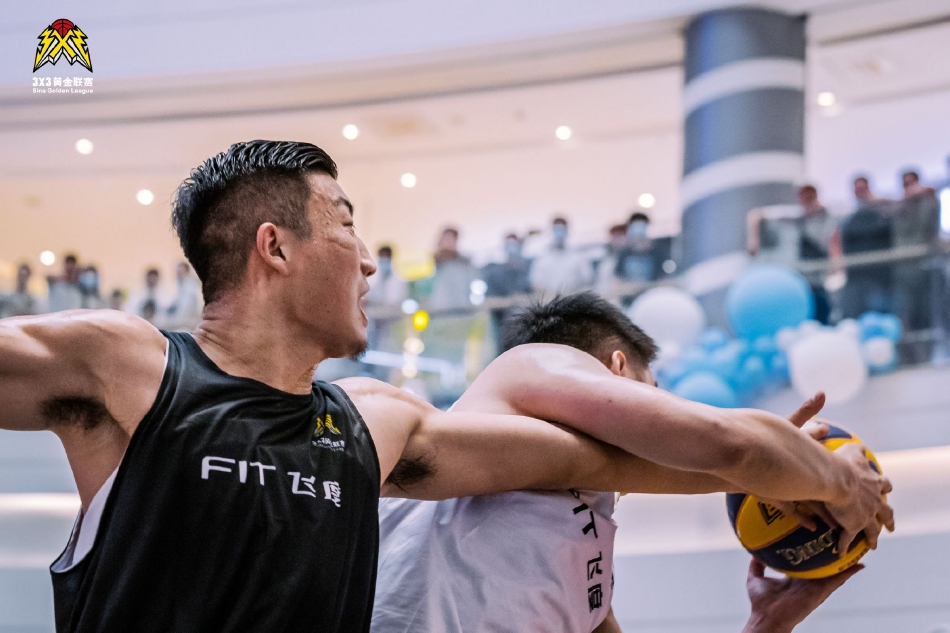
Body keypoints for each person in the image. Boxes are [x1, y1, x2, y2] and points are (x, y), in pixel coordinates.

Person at [0, 141, 890, 632]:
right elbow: (710, 447)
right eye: (347, 225)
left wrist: (790, 473)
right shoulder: (127, 367)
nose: (371, 261)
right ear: (275, 247)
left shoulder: (374, 425)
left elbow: (613, 461)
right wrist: (823, 476)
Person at [374, 293, 892, 633]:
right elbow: (725, 443)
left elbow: (731, 450)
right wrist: (840, 481)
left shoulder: (586, 569)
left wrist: (766, 625)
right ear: (616, 367)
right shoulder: (527, 365)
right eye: (655, 391)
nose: (664, 413)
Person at [747, 186, 841, 323]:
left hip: (818, 276)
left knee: (822, 310)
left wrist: (836, 263)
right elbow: (757, 214)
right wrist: (753, 240)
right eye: (804, 197)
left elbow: (833, 241)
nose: (807, 201)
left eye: (810, 197)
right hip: (799, 277)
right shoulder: (795, 217)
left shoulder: (825, 217)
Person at [893, 170, 941, 334]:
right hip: (905, 268)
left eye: (911, 183)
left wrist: (925, 194)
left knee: (928, 309)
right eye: (905, 184)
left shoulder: (929, 203)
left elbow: (930, 223)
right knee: (907, 311)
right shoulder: (899, 206)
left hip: (925, 265)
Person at [840, 177, 894, 317]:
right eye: (857, 189)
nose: (860, 192)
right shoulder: (850, 219)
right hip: (856, 277)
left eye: (863, 189)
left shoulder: (883, 211)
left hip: (880, 277)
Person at [480, 233, 532, 352]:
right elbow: (491, 299)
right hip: (501, 323)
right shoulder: (495, 272)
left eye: (514, 244)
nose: (512, 248)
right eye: (509, 244)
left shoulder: (528, 269)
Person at [529, 217, 594, 295]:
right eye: (557, 229)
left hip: (573, 298)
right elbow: (536, 282)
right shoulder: (542, 257)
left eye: (562, 229)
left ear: (567, 231)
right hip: (549, 299)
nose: (559, 233)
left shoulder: (578, 257)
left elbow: (587, 279)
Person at [429, 227, 477, 311]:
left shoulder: (464, 262)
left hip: (462, 306)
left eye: (452, 239)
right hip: (441, 308)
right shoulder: (434, 261)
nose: (449, 243)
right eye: (447, 239)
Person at [163, 262, 204, 331]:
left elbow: (184, 313)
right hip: (178, 325)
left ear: (187, 273)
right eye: (177, 273)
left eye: (180, 272)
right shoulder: (178, 288)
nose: (178, 275)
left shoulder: (191, 289)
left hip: (186, 327)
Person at [595, 224, 630, 296]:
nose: (617, 241)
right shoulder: (604, 258)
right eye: (614, 237)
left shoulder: (629, 259)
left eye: (620, 237)